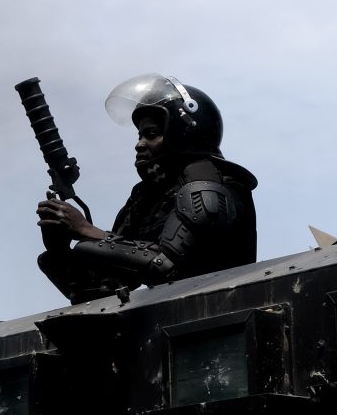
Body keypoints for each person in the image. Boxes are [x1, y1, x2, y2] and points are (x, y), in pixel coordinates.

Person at [36, 74, 258, 304]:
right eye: (140, 135)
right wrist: (60, 249)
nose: (139, 144)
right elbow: (105, 287)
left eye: (151, 134)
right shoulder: (147, 198)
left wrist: (87, 231)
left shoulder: (207, 183)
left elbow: (167, 267)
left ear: (182, 134)